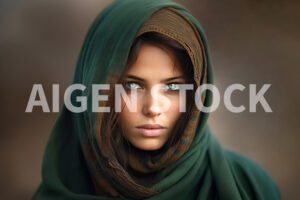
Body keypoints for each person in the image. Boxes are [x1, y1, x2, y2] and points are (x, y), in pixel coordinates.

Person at [33, 0, 280, 199]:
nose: (152, 107)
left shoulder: (249, 186)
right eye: (132, 86)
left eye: (172, 87)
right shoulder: (61, 191)